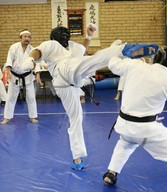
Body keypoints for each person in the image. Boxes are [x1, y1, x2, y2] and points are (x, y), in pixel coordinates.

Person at [21, 24, 158, 170]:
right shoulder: (52, 44)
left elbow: (82, 51)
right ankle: (121, 50)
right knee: (94, 60)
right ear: (60, 37)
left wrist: (89, 36)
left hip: (67, 85)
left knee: (76, 118)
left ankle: (77, 159)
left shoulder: (68, 52)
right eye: (66, 37)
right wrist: (30, 60)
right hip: (65, 71)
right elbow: (37, 51)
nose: (67, 39)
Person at [102, 46, 167, 192]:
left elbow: (112, 63)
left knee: (126, 141)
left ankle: (111, 172)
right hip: (146, 130)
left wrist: (127, 53)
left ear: (155, 57)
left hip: (124, 124)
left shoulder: (134, 66)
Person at [1, 29, 38, 125]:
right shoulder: (14, 47)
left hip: (27, 76)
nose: (27, 39)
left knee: (31, 97)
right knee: (10, 98)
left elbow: (36, 63)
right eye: (25, 37)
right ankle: (7, 117)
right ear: (20, 38)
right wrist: (8, 71)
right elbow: (9, 59)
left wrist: (37, 73)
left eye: (29, 37)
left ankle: (33, 116)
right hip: (15, 76)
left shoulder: (32, 50)